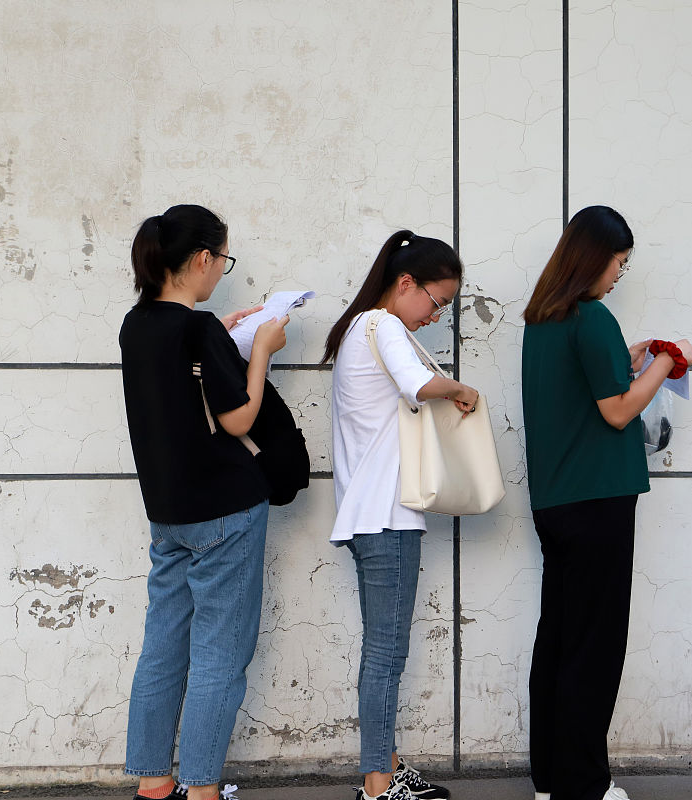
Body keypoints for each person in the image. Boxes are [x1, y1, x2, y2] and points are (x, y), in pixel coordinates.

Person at [520, 206, 692, 800]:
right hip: (599, 503)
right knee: (595, 649)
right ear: (595, 258)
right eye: (618, 262)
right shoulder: (591, 318)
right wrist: (670, 361)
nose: (620, 273)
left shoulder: (541, 320)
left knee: (559, 642)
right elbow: (617, 409)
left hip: (556, 502)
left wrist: (633, 355)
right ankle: (586, 785)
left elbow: (588, 387)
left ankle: (552, 781)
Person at [120, 204, 289, 800]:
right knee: (221, 652)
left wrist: (225, 334)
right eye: (221, 259)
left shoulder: (135, 324)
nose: (221, 271)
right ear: (201, 259)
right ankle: (201, 789)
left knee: (164, 644)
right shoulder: (200, 329)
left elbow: (181, 390)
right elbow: (238, 413)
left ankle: (154, 782)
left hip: (169, 511)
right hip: (225, 509)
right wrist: (262, 347)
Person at [321, 231, 478, 800]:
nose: (437, 315)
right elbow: (419, 385)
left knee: (385, 649)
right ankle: (377, 785)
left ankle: (385, 766)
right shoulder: (384, 325)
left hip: (377, 514)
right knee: (386, 653)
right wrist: (462, 389)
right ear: (406, 283)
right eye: (437, 302)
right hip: (385, 515)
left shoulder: (362, 329)